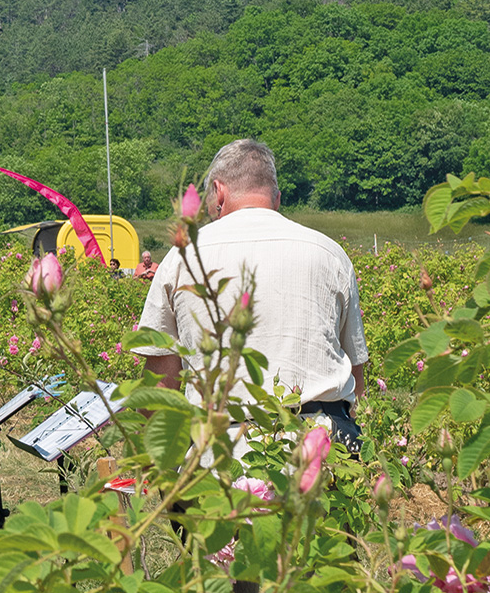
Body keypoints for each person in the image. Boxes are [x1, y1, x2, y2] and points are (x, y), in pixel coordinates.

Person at [133, 139, 368, 456]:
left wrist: (153, 460)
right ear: (277, 198)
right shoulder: (330, 253)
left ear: (218, 193)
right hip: (324, 450)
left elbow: (160, 385)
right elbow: (355, 371)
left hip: (218, 455)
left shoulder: (181, 257)